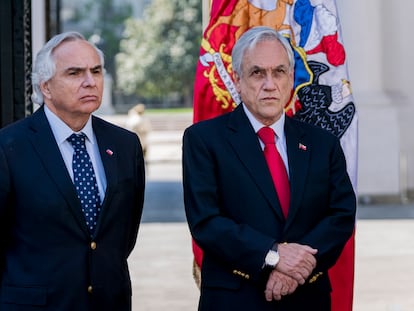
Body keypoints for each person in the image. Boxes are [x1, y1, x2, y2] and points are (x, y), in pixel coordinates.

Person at [182, 26, 356, 311]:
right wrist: (273, 256)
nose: (270, 84)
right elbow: (207, 222)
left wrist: (297, 268)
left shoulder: (322, 143)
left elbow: (341, 215)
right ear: (237, 80)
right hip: (235, 299)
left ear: (291, 78)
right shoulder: (203, 140)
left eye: (279, 72)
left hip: (307, 297)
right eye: (257, 73)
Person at [0, 32, 145, 310]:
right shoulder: (9, 147)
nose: (90, 81)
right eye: (74, 73)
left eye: (96, 71)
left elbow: (123, 236)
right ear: (46, 87)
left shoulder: (125, 145)